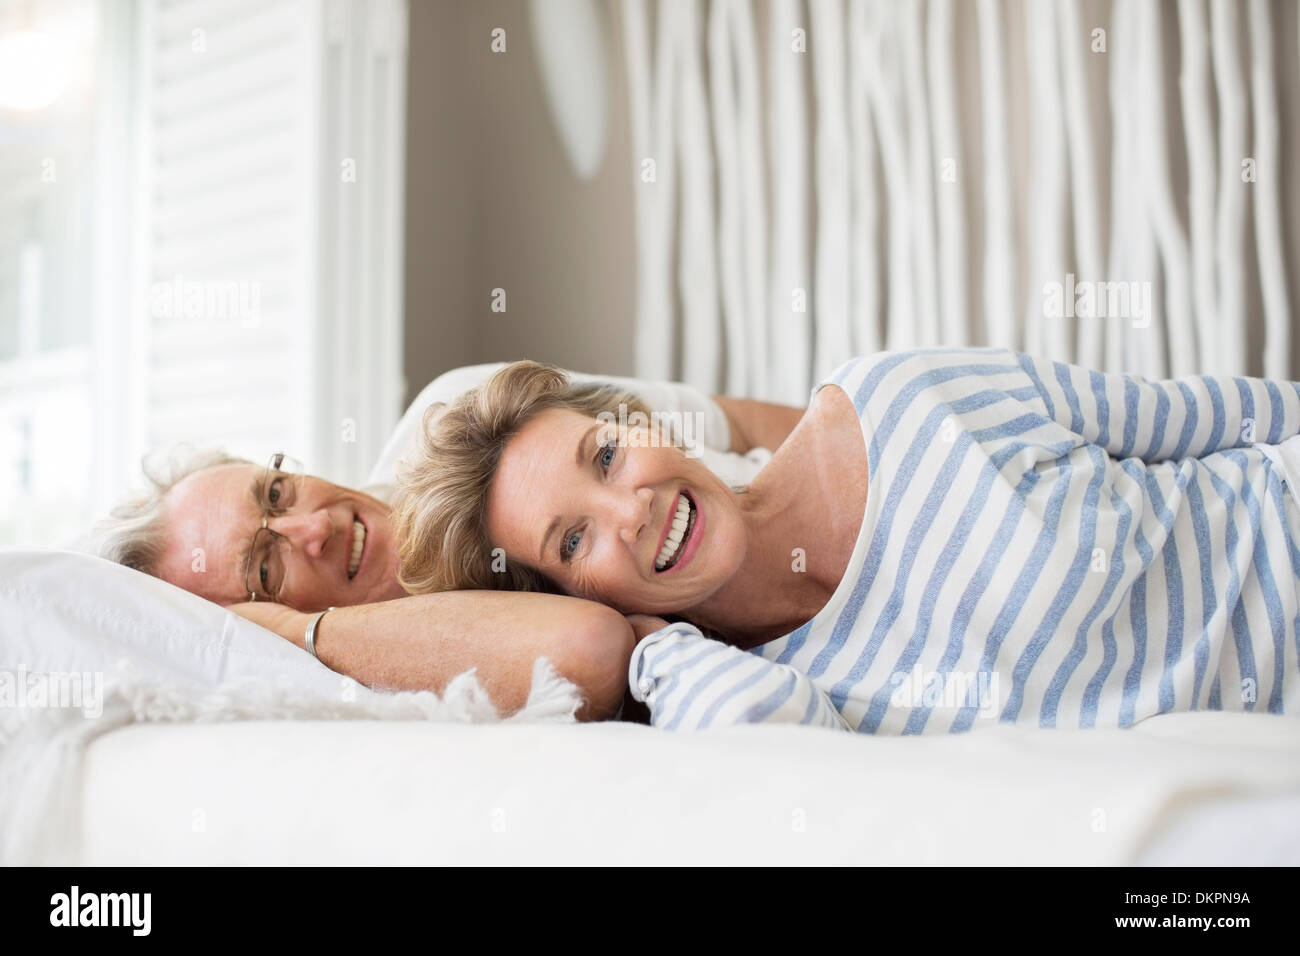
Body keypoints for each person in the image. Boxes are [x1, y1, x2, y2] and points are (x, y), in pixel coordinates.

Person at [395, 348, 1300, 733]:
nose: (630, 513)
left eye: (605, 455)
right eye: (573, 540)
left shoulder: (897, 396)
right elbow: (786, 757)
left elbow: (1218, 416)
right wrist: (645, 640)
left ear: (641, 424)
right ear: (569, 600)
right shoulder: (750, 689)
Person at [97, 364, 805, 721]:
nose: (314, 529)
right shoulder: (395, 683)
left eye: (276, 493)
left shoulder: (463, 409)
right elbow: (587, 647)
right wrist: (290, 630)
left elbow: (737, 424)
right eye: (265, 565)